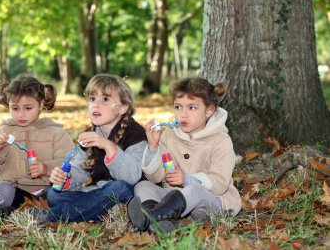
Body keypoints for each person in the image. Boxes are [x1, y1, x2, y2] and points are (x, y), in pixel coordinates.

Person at [128, 77, 241, 233]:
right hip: (174, 199)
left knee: (194, 189)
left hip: (210, 203)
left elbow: (220, 183)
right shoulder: (168, 136)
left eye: (192, 108)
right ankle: (163, 223)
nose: (183, 115)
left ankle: (149, 217)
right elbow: (156, 177)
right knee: (143, 185)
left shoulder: (221, 140)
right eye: (178, 107)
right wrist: (153, 147)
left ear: (209, 110)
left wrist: (186, 179)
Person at [42, 74, 147, 223]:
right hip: (97, 193)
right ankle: (102, 209)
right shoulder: (90, 133)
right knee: (54, 194)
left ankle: (53, 215)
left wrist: (108, 146)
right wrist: (66, 179)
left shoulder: (135, 133)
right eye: (92, 99)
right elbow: (80, 170)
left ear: (123, 108)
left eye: (105, 99)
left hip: (127, 192)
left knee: (120, 188)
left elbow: (132, 177)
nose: (96, 105)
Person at [0, 75, 74, 222]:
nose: (21, 114)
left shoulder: (55, 132)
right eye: (15, 108)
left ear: (41, 104)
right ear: (8, 105)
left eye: (28, 108)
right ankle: (20, 209)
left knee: (59, 197)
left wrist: (46, 169)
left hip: (45, 190)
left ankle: (26, 210)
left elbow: (69, 162)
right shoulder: (4, 130)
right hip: (13, 190)